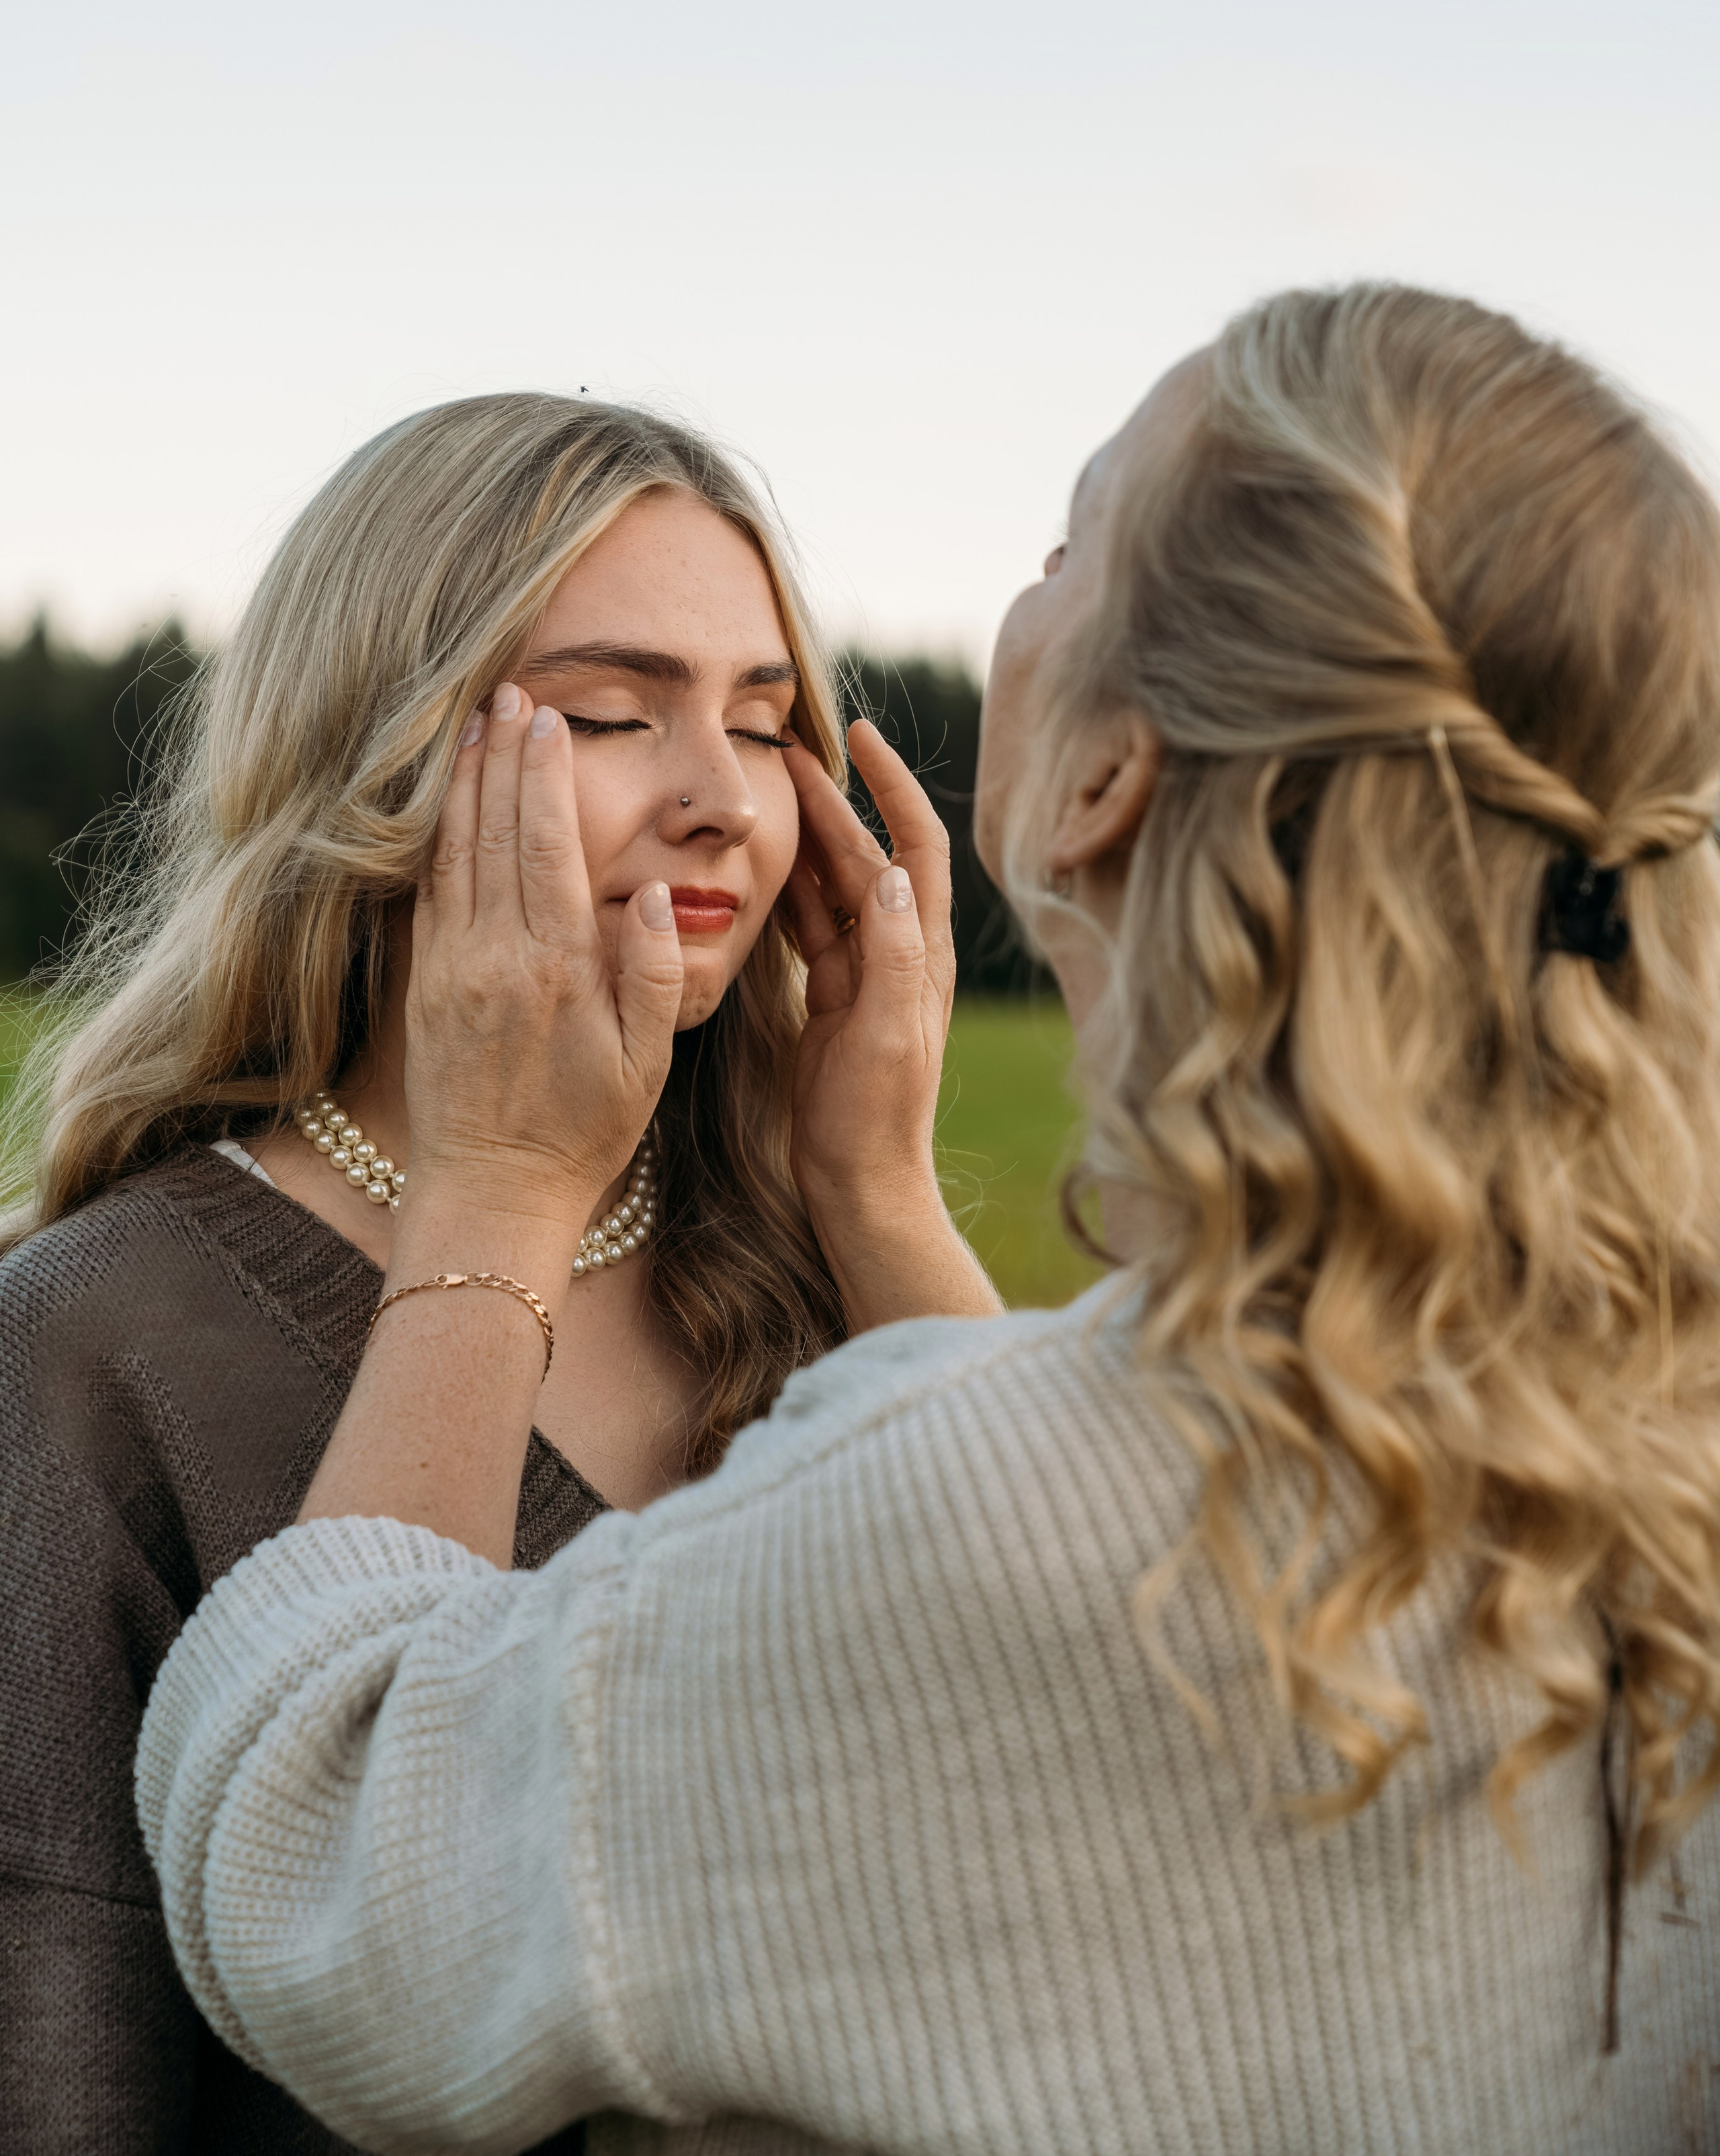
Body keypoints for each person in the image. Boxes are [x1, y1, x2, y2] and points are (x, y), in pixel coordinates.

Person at [140, 285, 1720, 2155]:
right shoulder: (1630, 1442)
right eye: (611, 712)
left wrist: (489, 1193)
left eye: (1072, 541)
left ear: (1111, 777)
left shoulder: (957, 1528)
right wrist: (877, 1193)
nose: (727, 790)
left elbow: (328, 1867)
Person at [0, 392, 998, 2155]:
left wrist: (879, 1191)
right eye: (615, 715)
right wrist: (506, 1194)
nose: (725, 803)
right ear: (374, 753)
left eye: (770, 728)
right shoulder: (94, 1347)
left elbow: (1117, 1756)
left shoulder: (831, 1276)